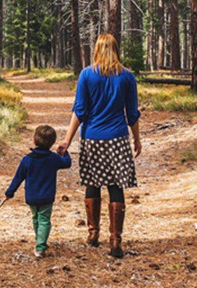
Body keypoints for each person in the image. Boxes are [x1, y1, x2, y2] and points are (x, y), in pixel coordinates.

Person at [56, 33, 141, 259]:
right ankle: (115, 239)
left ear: (96, 50)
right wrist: (137, 139)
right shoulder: (127, 77)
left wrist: (68, 139)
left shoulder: (86, 75)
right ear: (115, 50)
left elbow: (80, 110)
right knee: (115, 186)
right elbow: (132, 114)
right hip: (118, 139)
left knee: (92, 184)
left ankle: (93, 234)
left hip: (92, 138)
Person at [5, 124, 72, 258]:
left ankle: (39, 241)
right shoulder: (53, 158)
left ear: (34, 140)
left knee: (36, 218)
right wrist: (65, 152)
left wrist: (10, 192)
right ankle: (40, 246)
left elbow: (18, 178)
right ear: (52, 143)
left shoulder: (27, 160)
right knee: (44, 220)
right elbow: (67, 163)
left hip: (31, 196)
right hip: (47, 196)